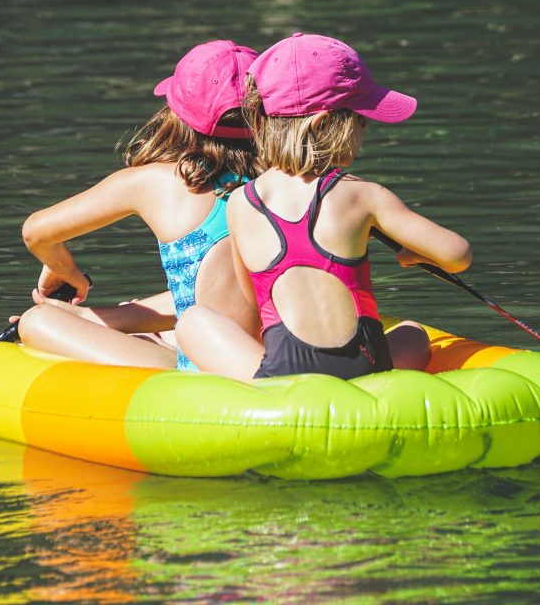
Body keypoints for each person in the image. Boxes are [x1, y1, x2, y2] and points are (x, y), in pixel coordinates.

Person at [176, 33, 472, 381]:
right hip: (365, 369)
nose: (364, 132)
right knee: (414, 333)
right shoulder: (364, 195)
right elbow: (458, 255)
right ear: (324, 123)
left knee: (193, 322)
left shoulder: (241, 201)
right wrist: (412, 254)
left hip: (283, 375)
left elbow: (253, 301)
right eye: (361, 121)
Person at [14, 39, 262, 369]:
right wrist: (91, 316)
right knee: (147, 313)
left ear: (176, 113)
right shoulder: (286, 181)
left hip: (206, 372)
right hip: (265, 356)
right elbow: (230, 297)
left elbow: (36, 232)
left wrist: (64, 269)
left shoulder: (154, 181)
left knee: (35, 321)